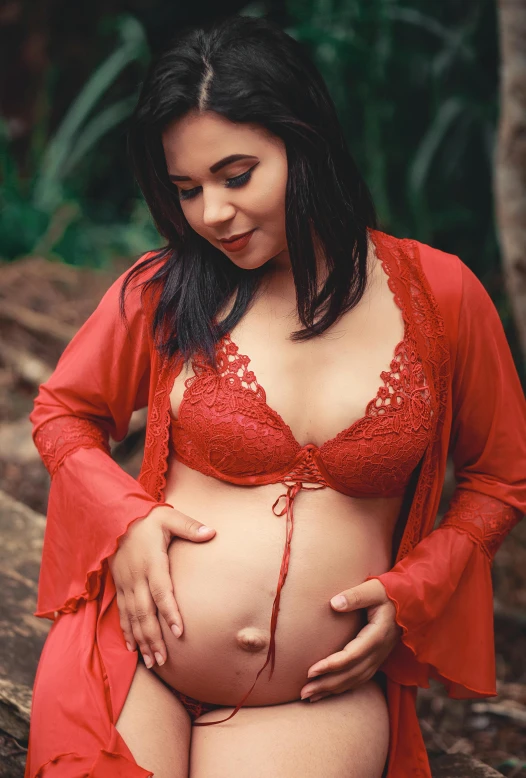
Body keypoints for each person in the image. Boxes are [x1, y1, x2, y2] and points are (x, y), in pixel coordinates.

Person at [24, 14, 526, 778]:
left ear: (305, 140)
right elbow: (63, 412)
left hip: (310, 699)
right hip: (137, 657)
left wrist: (414, 591)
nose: (211, 215)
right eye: (186, 189)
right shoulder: (164, 291)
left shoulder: (443, 295)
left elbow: (501, 476)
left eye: (236, 175)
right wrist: (124, 522)